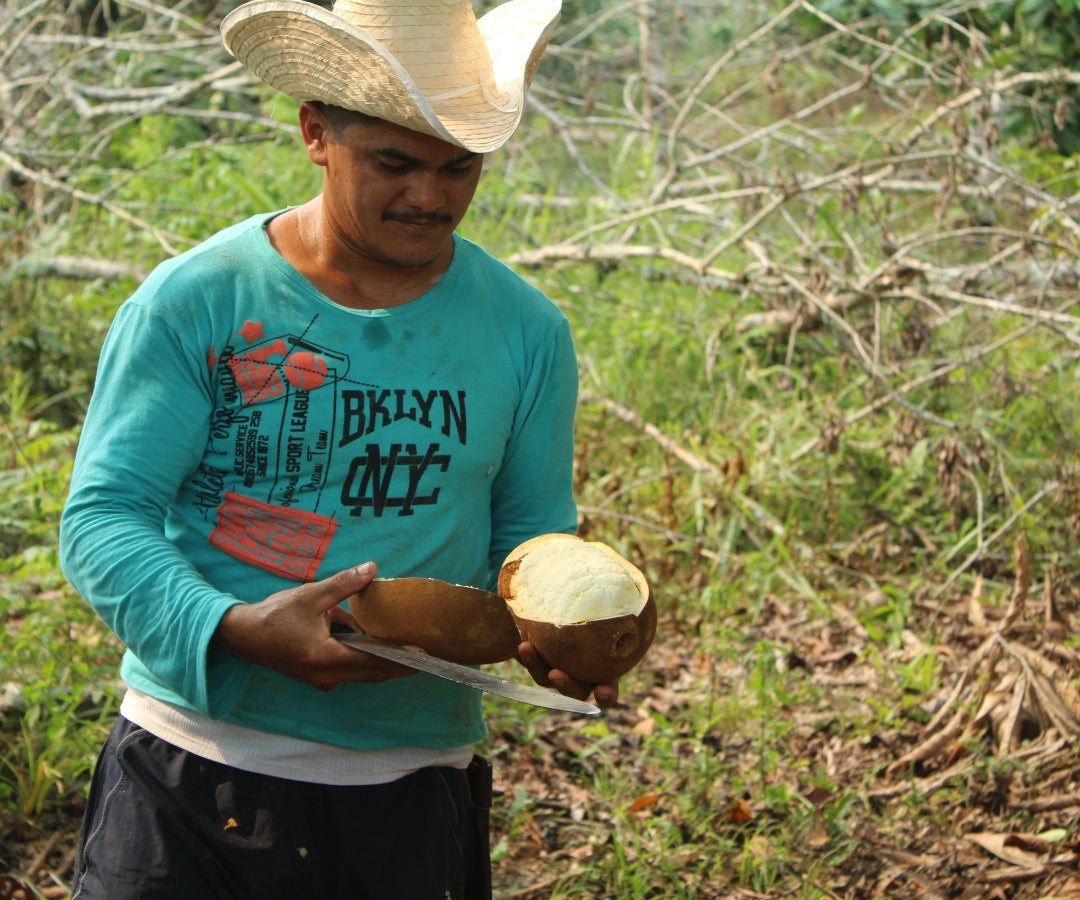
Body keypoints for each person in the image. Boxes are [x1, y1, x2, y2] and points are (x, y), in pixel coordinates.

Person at [59, 1, 619, 897]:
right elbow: (103, 519)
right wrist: (234, 629)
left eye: (458, 167)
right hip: (192, 772)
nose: (429, 196)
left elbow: (531, 535)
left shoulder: (526, 330)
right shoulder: (197, 301)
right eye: (395, 163)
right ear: (317, 132)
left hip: (411, 783)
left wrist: (560, 634)